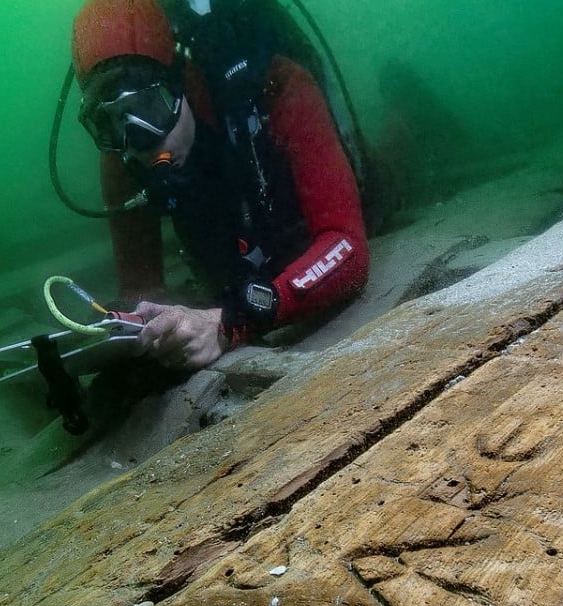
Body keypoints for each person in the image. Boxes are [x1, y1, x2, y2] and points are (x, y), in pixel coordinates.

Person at [71, 0, 369, 371]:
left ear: (180, 79)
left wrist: (233, 321)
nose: (137, 139)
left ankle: (405, 114)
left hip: (307, 226)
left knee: (382, 190)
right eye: (108, 122)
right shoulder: (122, 156)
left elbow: (347, 246)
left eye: (148, 107)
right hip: (242, 261)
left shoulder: (276, 86)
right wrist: (130, 327)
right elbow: (141, 290)